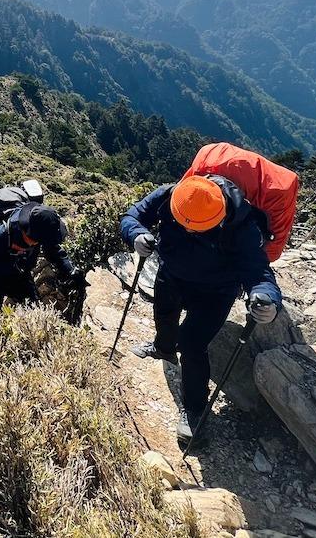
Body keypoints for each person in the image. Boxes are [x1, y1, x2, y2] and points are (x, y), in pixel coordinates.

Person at [120, 173, 282, 442]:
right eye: (182, 221)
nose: (188, 230)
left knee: (193, 345)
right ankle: (163, 348)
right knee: (164, 314)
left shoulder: (243, 225)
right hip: (171, 274)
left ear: (219, 218)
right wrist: (136, 234)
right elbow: (132, 217)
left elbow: (259, 273)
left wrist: (268, 299)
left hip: (216, 292)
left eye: (196, 227)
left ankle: (194, 410)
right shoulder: (171, 195)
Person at [0, 202, 85, 307]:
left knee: (33, 304)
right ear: (27, 233)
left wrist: (70, 270)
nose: (37, 244)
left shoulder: (38, 226)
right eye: (36, 241)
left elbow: (53, 250)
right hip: (0, 268)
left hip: (22, 270)